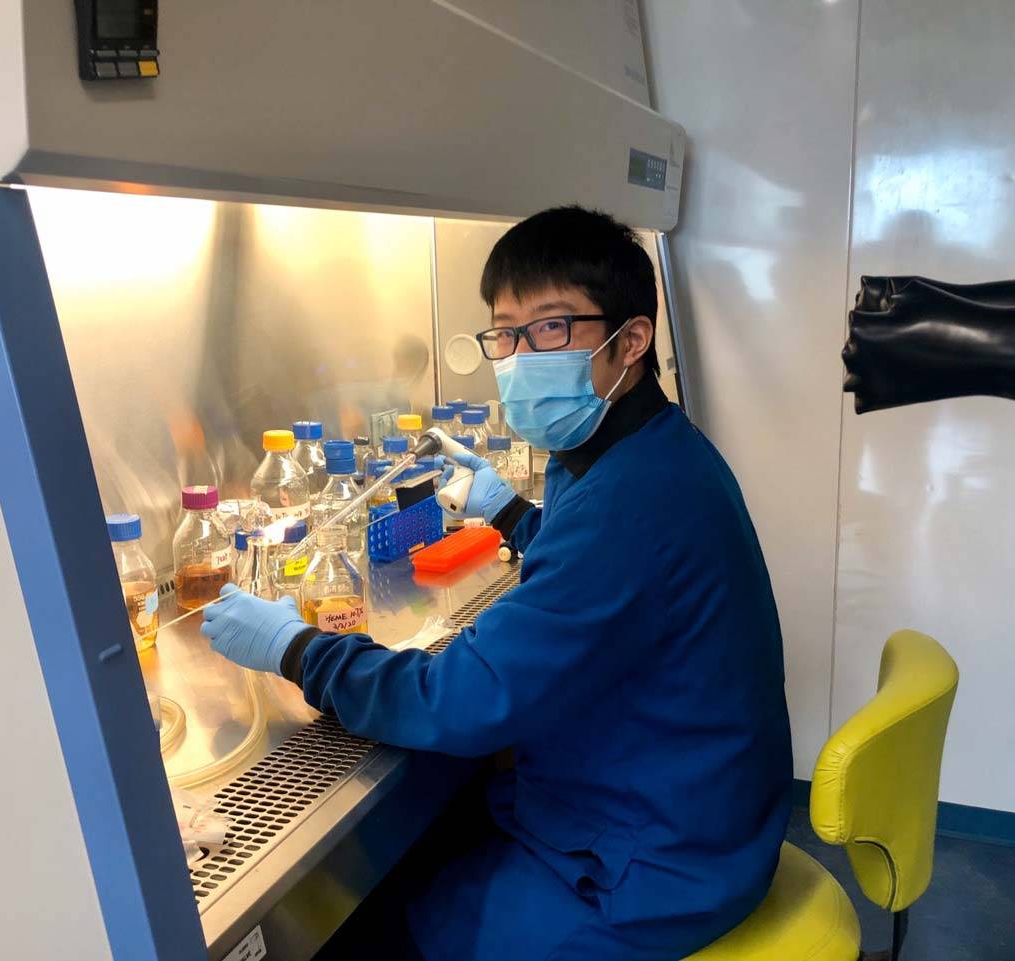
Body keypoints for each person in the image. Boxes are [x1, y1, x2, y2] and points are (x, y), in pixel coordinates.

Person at [202, 206, 793, 960]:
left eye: (550, 328)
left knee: (379, 929)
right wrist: (511, 512)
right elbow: (605, 583)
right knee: (440, 842)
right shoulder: (639, 448)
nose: (517, 356)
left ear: (632, 339)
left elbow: (461, 701)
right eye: (504, 333)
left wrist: (295, 648)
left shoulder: (633, 496)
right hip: (690, 804)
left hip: (652, 867)